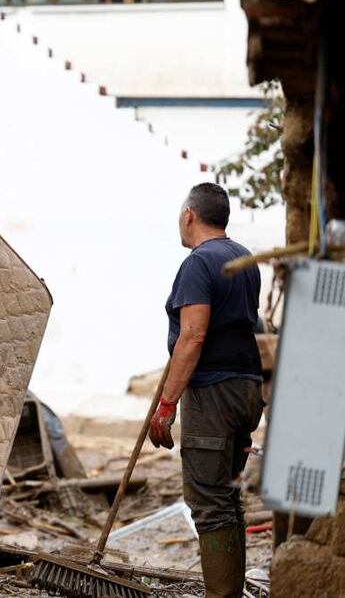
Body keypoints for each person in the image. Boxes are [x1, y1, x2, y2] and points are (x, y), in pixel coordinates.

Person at [149, 182, 264, 598]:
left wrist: (166, 405)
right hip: (247, 389)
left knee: (210, 505)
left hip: (213, 394)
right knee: (227, 501)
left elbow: (193, 336)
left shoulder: (199, 263)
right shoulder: (244, 257)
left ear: (189, 216)